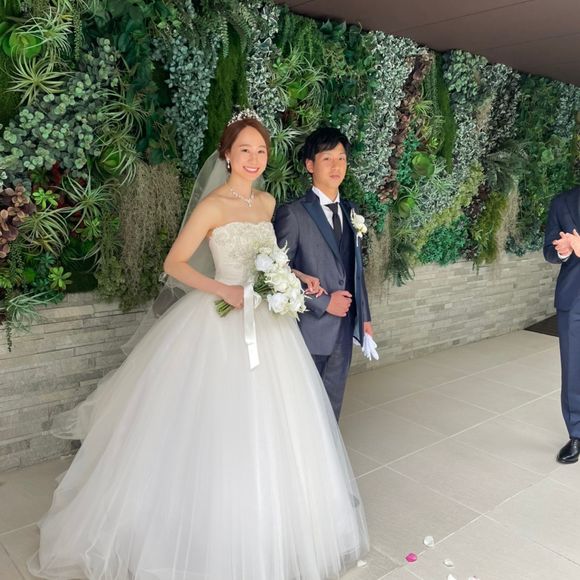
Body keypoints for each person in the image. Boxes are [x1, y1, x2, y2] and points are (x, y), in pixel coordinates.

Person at [28, 113, 368, 580]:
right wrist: (223, 289)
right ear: (227, 155)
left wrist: (297, 276)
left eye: (261, 151)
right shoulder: (212, 206)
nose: (253, 159)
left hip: (267, 324)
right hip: (219, 320)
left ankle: (268, 525)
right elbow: (175, 264)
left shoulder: (268, 203)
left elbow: (270, 260)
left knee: (274, 426)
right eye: (244, 150)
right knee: (215, 426)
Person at [274, 127, 373, 421]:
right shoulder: (293, 213)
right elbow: (277, 275)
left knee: (332, 406)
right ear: (310, 165)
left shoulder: (351, 210)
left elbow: (356, 270)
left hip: (344, 329)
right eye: (327, 158)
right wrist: (324, 302)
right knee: (303, 409)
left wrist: (365, 318)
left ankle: (328, 452)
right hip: (309, 329)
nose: (336, 166)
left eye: (341, 158)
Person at [544, 186, 580, 464]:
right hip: (573, 299)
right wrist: (564, 251)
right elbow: (549, 251)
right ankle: (576, 434)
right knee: (572, 371)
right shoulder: (562, 202)